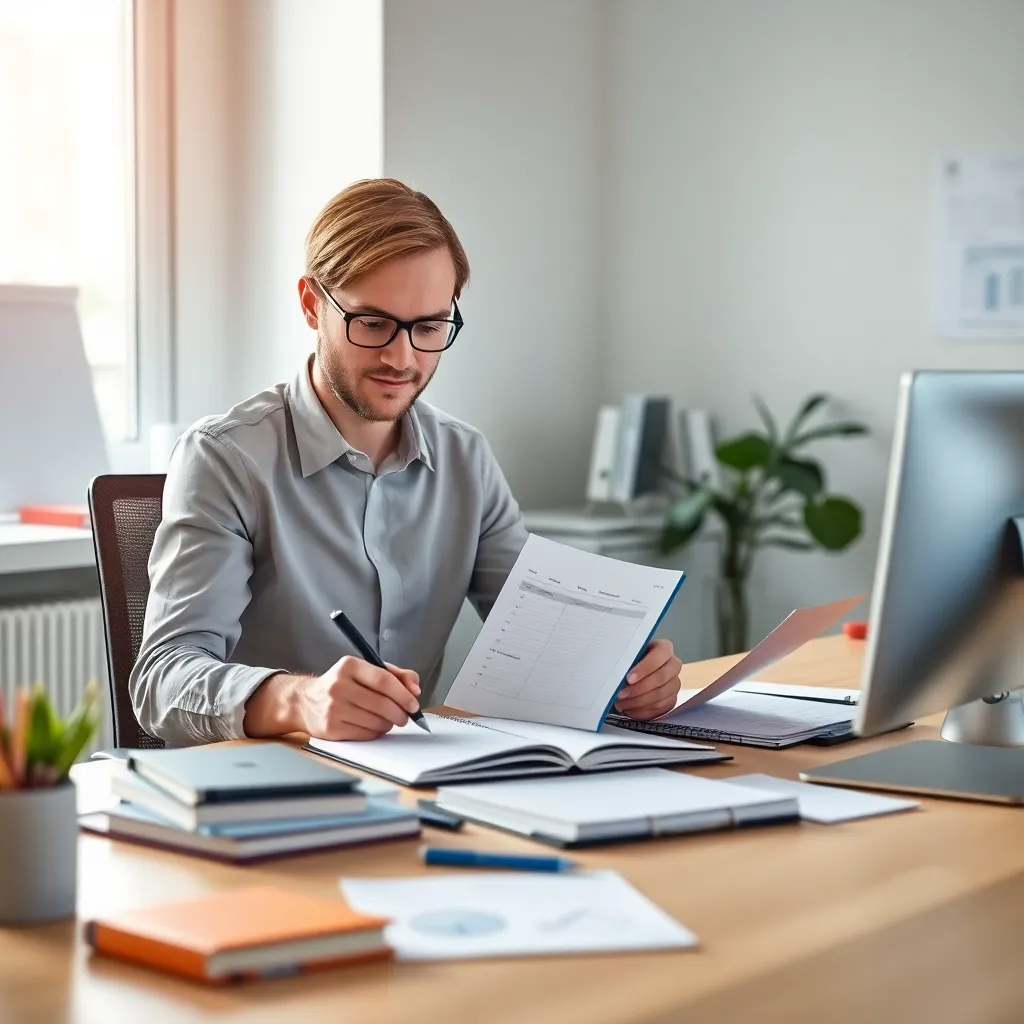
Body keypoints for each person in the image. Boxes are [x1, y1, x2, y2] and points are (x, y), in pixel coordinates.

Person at [130, 178, 683, 746]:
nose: (403, 357)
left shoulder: (464, 459)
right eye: (373, 323)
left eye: (429, 327)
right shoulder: (226, 458)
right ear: (310, 304)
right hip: (268, 794)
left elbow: (546, 629)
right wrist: (300, 700)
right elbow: (161, 681)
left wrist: (626, 673)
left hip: (420, 785)